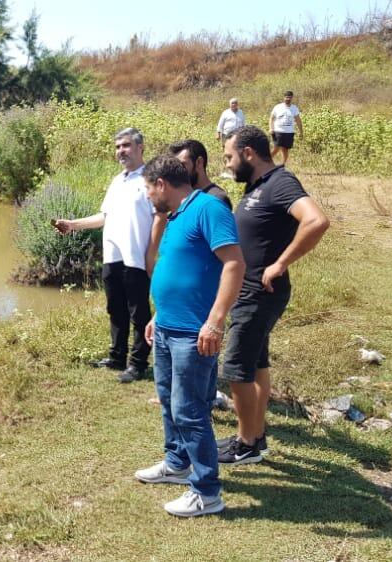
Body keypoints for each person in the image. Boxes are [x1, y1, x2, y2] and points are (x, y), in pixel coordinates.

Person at [134, 155, 245, 517]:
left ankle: (206, 492)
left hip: (193, 334)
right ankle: (177, 463)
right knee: (168, 401)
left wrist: (214, 322)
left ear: (162, 184)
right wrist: (158, 314)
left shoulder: (208, 209)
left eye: (148, 189)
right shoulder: (176, 216)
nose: (148, 196)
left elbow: (234, 263)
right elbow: (178, 268)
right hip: (167, 328)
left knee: (190, 410)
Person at [217, 125, 329, 465]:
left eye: (229, 157)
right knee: (256, 366)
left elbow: (317, 221)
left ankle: (247, 444)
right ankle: (255, 437)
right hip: (248, 293)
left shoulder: (280, 183)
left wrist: (280, 263)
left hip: (259, 294)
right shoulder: (256, 186)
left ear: (249, 153)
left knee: (236, 369)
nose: (228, 165)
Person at [55, 128, 166, 383]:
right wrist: (73, 224)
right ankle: (117, 357)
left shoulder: (150, 179)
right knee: (115, 308)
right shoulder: (118, 181)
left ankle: (138, 364)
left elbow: (160, 217)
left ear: (140, 147)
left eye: (126, 145)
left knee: (138, 312)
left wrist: (151, 254)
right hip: (112, 256)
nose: (121, 151)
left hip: (136, 257)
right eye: (117, 147)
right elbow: (104, 216)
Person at [167, 139, 232, 209]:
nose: (178, 171)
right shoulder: (182, 199)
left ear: (199, 163)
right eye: (176, 166)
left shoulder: (216, 199)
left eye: (182, 165)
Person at [269, 91, 303, 165]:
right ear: (284, 98)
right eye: (286, 97)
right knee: (276, 148)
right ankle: (266, 162)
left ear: (292, 98)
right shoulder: (278, 107)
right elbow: (271, 118)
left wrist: (301, 132)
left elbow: (298, 120)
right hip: (278, 131)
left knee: (285, 149)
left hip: (289, 132)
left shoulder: (294, 108)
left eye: (289, 97)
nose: (288, 99)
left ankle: (282, 165)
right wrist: (271, 128)